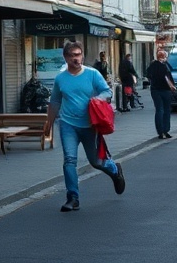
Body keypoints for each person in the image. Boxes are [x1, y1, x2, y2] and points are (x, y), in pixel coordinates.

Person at [42, 41, 125, 211]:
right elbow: (55, 101)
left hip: (89, 125)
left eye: (78, 54)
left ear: (82, 56)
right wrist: (49, 123)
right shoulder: (60, 78)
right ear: (65, 57)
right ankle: (73, 198)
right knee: (69, 160)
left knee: (96, 162)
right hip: (67, 125)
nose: (76, 58)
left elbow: (107, 91)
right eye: (72, 55)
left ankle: (114, 170)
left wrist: (98, 98)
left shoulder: (92, 74)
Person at [145, 49, 176, 139]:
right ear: (164, 57)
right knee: (166, 110)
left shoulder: (152, 65)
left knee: (159, 110)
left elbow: (148, 75)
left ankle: (160, 132)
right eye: (165, 57)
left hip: (155, 90)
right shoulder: (165, 66)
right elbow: (171, 71)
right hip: (165, 90)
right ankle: (165, 130)